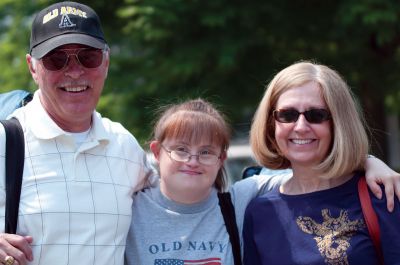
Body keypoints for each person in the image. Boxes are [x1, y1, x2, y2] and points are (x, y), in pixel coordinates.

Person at [124, 98, 400, 265]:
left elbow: (310, 172)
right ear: (158, 152)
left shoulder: (240, 199)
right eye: (181, 149)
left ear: (221, 159)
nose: (192, 160)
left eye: (206, 151)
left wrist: (367, 161)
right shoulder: (130, 207)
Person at [0, 2, 154, 265]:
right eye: (56, 59)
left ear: (105, 62)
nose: (74, 71)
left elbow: (179, 204)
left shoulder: (124, 146)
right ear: (33, 67)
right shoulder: (5, 141)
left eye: (88, 56)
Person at [243, 61, 400, 264]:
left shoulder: (382, 196)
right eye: (287, 115)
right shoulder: (259, 212)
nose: (300, 127)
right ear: (271, 123)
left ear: (339, 124)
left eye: (316, 115)